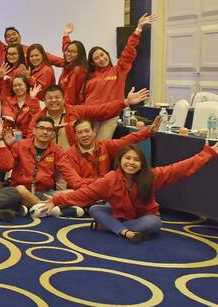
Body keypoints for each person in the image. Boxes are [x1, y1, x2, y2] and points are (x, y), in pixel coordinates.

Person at [41, 141, 218, 243]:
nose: (131, 163)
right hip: (120, 215)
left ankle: (108, 227)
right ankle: (123, 231)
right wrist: (57, 201)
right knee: (95, 209)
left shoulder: (151, 176)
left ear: (142, 163)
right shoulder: (110, 179)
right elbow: (85, 194)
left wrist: (207, 154)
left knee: (154, 224)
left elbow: (180, 169)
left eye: (136, 160)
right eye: (127, 158)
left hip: (143, 218)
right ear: (120, 160)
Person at [83, 12, 155, 139]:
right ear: (93, 62)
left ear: (107, 54)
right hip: (90, 116)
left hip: (109, 117)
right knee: (87, 145)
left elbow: (128, 52)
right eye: (96, 58)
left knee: (101, 146)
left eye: (102, 54)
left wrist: (138, 29)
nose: (101, 59)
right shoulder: (89, 77)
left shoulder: (118, 70)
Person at [27, 85, 148, 150]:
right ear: (44, 100)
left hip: (72, 161)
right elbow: (30, 140)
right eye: (50, 98)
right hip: (46, 161)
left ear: (63, 99)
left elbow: (101, 110)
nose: (54, 100)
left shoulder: (76, 111)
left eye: (57, 97)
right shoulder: (38, 118)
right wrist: (47, 134)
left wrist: (125, 102)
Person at [57, 116, 160, 192]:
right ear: (75, 136)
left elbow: (126, 140)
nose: (84, 135)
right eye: (80, 132)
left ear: (94, 132)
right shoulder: (69, 155)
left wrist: (148, 132)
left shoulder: (105, 146)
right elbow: (75, 183)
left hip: (106, 189)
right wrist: (102, 183)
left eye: (87, 131)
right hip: (84, 191)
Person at [3, 116, 79, 217]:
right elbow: (7, 165)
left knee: (72, 192)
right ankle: (50, 210)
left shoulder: (57, 151)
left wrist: (83, 188)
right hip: (22, 191)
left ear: (52, 133)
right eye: (41, 128)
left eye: (49, 130)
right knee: (20, 189)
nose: (45, 132)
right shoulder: (20, 145)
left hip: (45, 193)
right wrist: (8, 146)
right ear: (34, 130)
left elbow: (69, 173)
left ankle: (33, 207)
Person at [58, 24, 87, 105]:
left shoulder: (78, 70)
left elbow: (70, 93)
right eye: (68, 51)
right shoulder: (69, 65)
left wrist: (65, 111)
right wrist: (66, 35)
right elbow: (66, 47)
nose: (68, 54)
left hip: (72, 108)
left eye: (73, 52)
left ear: (79, 54)